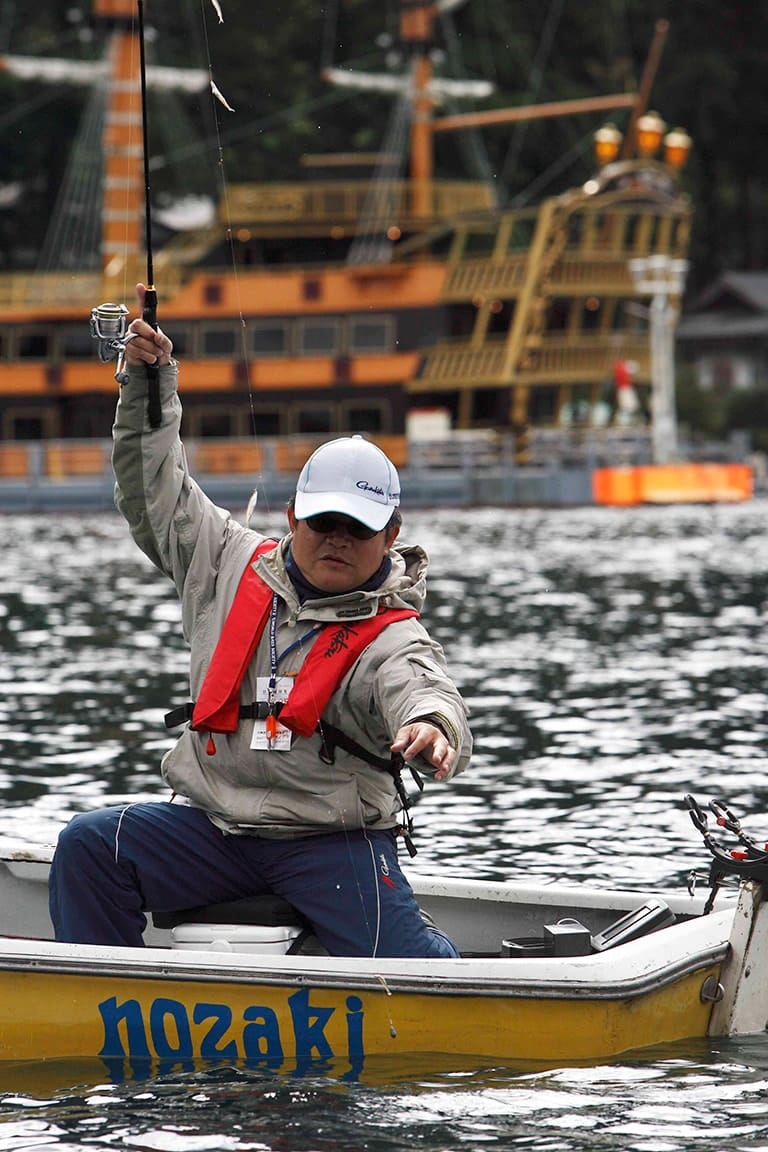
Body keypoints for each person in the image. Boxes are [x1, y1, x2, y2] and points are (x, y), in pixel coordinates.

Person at [48, 285, 472, 958]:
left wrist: (432, 728)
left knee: (416, 963)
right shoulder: (222, 559)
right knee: (90, 847)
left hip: (333, 842)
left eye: (357, 529)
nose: (336, 540)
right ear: (294, 517)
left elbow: (424, 689)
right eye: (324, 522)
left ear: (390, 535)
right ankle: (107, 997)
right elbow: (153, 488)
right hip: (214, 829)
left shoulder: (393, 633)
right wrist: (148, 388)